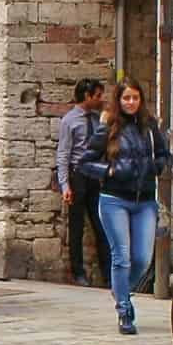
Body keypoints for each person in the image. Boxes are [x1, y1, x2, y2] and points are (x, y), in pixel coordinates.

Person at [81, 77, 170, 334]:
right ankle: (124, 310)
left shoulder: (150, 126)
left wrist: (158, 165)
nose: (131, 102)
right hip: (114, 199)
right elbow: (84, 161)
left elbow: (164, 154)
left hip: (144, 200)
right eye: (126, 98)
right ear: (118, 101)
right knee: (121, 255)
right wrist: (108, 170)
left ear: (140, 100)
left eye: (135, 97)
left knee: (142, 259)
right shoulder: (108, 127)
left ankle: (120, 289)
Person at [56, 77, 110, 287]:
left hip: (96, 175)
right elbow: (63, 154)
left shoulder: (99, 119)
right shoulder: (70, 121)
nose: (100, 99)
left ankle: (108, 274)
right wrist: (65, 185)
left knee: (102, 225)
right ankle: (78, 272)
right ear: (87, 96)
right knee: (77, 227)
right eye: (97, 95)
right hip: (77, 175)